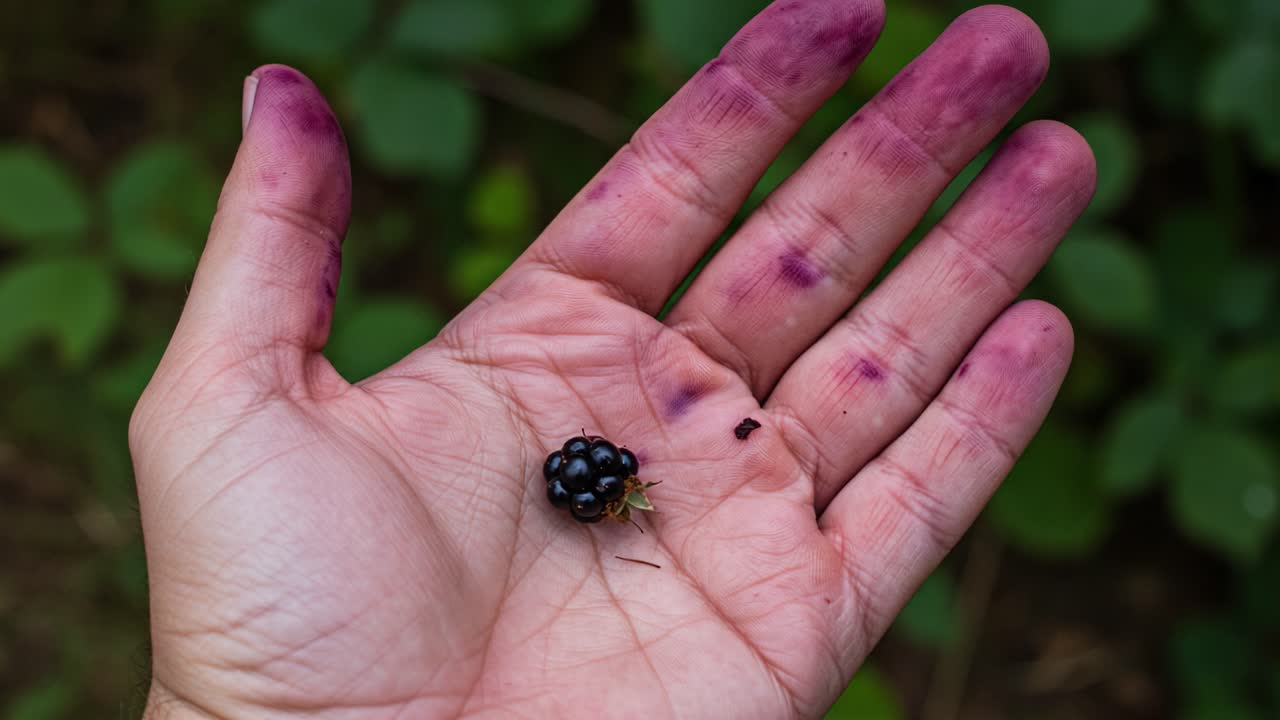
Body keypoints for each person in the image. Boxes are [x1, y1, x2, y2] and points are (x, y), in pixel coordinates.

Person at [129, 1, 1095, 717]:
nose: (608, 481)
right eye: (611, 486)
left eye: (611, 485)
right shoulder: (595, 491)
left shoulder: (602, 486)